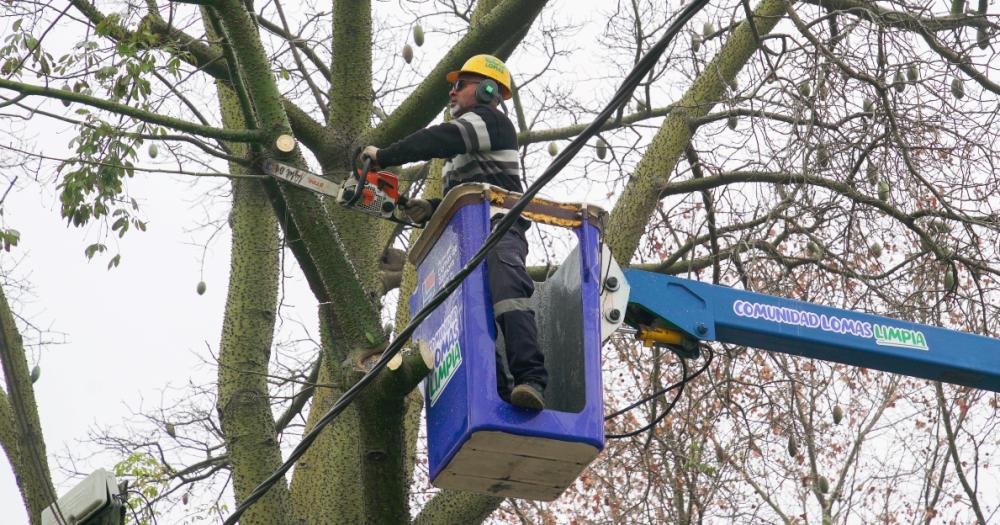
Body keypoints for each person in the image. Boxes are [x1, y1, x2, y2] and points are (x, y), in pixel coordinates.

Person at [360, 54, 547, 411]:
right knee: (470, 311)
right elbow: (464, 189)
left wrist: (385, 155)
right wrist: (431, 207)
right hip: (466, 240)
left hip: (497, 227)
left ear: (488, 89)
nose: (452, 93)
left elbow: (439, 138)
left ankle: (531, 379)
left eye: (460, 85)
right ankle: (502, 395)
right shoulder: (464, 147)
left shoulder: (490, 121)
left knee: (507, 294)